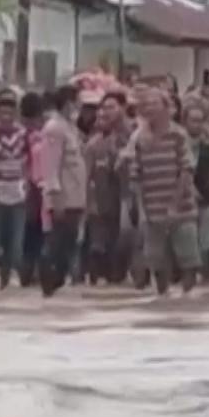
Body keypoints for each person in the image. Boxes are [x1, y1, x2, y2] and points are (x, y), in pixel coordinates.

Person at [123, 85, 201, 296]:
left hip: (182, 208)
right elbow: (135, 175)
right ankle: (163, 299)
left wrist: (174, 205)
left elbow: (186, 170)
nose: (149, 107)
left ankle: (188, 299)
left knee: (189, 259)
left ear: (166, 108)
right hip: (152, 209)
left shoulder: (178, 135)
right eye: (146, 104)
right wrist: (140, 209)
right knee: (156, 260)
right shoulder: (140, 139)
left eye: (154, 103)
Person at [36, 84, 88, 296]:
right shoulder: (54, 129)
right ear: (68, 104)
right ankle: (48, 282)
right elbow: (50, 166)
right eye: (78, 103)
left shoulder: (70, 128)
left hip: (75, 196)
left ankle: (55, 283)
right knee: (57, 243)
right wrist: (55, 197)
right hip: (63, 198)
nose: (80, 107)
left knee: (68, 242)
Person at [84, 91, 133, 284]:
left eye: (111, 107)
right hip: (105, 199)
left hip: (129, 195)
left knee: (126, 238)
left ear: (123, 107)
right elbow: (87, 174)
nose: (107, 113)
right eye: (103, 109)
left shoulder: (134, 133)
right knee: (102, 241)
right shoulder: (94, 144)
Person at [0, 88, 33, 289]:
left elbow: (31, 162)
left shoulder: (25, 136)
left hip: (19, 193)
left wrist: (28, 183)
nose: (6, 116)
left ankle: (14, 273)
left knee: (16, 237)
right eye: (2, 111)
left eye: (10, 111)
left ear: (16, 113)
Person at [182, 100, 209, 279]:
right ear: (185, 121)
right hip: (184, 200)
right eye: (194, 120)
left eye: (201, 120)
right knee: (187, 246)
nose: (197, 124)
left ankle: (206, 280)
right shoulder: (178, 143)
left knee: (207, 243)